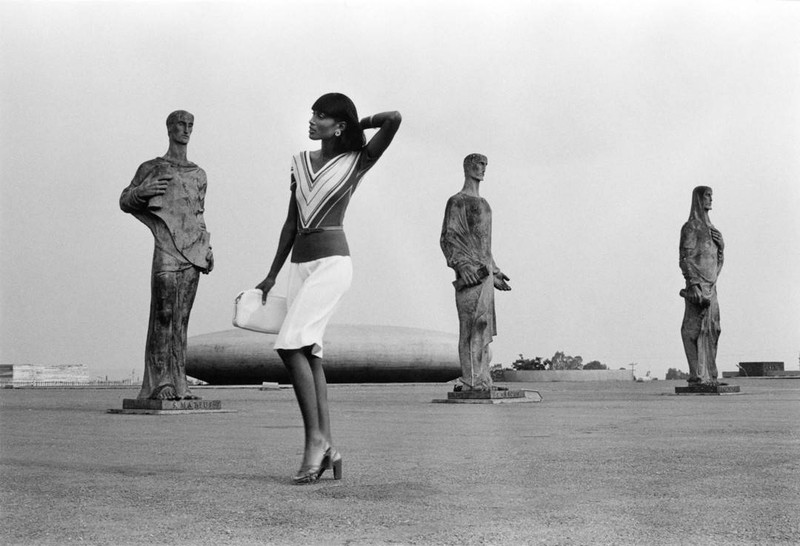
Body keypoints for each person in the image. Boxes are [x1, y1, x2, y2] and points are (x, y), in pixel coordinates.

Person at [256, 93, 401, 484]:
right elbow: (291, 222)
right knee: (310, 353)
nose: (313, 121)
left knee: (288, 346)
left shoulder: (357, 161)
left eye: (322, 116)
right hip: (299, 267)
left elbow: (394, 118)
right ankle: (330, 447)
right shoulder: (300, 162)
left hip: (333, 265)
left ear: (338, 125)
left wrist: (357, 123)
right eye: (313, 114)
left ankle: (314, 443)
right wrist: (271, 274)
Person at [120, 110, 214, 400]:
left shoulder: (199, 174)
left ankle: (180, 383)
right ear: (170, 129)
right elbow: (125, 199)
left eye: (190, 126)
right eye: (180, 125)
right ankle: (159, 383)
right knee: (163, 314)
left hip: (193, 252)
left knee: (181, 320)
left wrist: (207, 248)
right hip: (166, 248)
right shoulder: (152, 167)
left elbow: (198, 214)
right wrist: (143, 191)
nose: (185, 130)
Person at [440, 154, 511, 392]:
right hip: (469, 275)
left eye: (485, 165)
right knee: (471, 326)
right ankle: (471, 380)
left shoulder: (485, 205)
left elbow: (485, 245)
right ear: (468, 167)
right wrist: (461, 265)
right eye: (479, 165)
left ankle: (483, 379)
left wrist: (496, 272)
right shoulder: (457, 201)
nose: (483, 169)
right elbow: (448, 238)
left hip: (485, 274)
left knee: (483, 326)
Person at [679, 186, 724, 386]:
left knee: (714, 329)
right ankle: (697, 375)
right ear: (698, 199)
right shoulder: (691, 228)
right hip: (697, 288)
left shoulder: (713, 230)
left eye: (711, 196)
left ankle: (710, 375)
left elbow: (716, 262)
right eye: (707, 196)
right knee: (692, 330)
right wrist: (694, 284)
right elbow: (685, 258)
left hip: (711, 287)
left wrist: (722, 247)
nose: (711, 200)